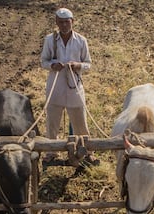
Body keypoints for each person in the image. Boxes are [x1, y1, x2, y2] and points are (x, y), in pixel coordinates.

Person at [40, 7, 99, 166]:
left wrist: (77, 65)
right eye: (61, 22)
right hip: (55, 87)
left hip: (74, 87)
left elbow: (88, 64)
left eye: (67, 22)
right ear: (56, 23)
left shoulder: (81, 40)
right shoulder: (49, 40)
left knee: (80, 122)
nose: (64, 25)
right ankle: (51, 152)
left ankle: (87, 152)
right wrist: (53, 65)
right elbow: (43, 62)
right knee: (52, 122)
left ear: (72, 22)